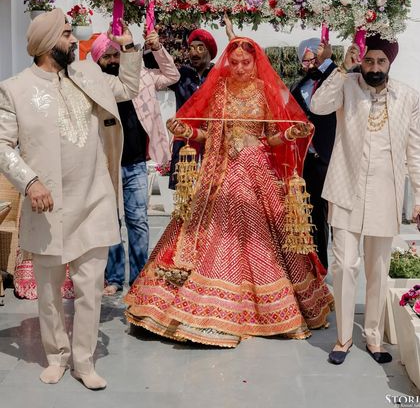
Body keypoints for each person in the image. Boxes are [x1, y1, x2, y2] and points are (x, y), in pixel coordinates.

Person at [125, 37, 334, 347]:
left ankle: (267, 307)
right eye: (233, 63)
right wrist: (187, 132)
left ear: (255, 63)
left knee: (265, 236)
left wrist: (291, 132)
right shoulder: (219, 90)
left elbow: (273, 137)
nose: (238, 68)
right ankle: (193, 305)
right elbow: (209, 132)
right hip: (219, 169)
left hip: (256, 170)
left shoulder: (265, 91)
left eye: (245, 63)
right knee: (206, 229)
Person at [0, 9, 140, 389]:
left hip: (93, 198)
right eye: (65, 34)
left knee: (90, 289)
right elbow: (2, 145)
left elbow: (127, 89)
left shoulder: (89, 75)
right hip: (48, 206)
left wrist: (129, 50)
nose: (72, 40)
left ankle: (84, 361)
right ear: (46, 43)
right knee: (48, 291)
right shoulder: (15, 89)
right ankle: (57, 356)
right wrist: (29, 182)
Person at [310, 34, 420, 365]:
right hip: (346, 188)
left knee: (378, 267)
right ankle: (343, 339)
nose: (374, 68)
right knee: (344, 266)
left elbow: (415, 151)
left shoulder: (408, 97)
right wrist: (343, 68)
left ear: (390, 63)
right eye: (369, 61)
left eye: (380, 62)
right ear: (362, 60)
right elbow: (318, 106)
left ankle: (373, 337)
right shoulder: (347, 84)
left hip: (385, 192)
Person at [91, 29, 180, 295]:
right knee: (111, 220)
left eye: (114, 53)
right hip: (106, 163)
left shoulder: (141, 75)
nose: (112, 59)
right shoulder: (95, 83)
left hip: (136, 162)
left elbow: (172, 76)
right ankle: (114, 278)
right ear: (98, 59)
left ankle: (140, 276)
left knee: (138, 220)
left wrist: (157, 48)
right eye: (106, 55)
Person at [290, 38, 337, 269]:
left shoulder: (335, 78)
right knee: (314, 215)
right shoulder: (298, 87)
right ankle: (319, 266)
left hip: (331, 156)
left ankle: (339, 265)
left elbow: (339, 74)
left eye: (314, 59)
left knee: (336, 218)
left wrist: (327, 61)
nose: (310, 65)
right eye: (305, 61)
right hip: (308, 159)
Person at [168, 28, 218, 189]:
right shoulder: (180, 74)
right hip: (185, 139)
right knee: (183, 191)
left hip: (211, 139)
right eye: (191, 48)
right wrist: (154, 47)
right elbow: (158, 67)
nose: (194, 52)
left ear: (209, 51)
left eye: (200, 48)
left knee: (211, 188)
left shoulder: (219, 75)